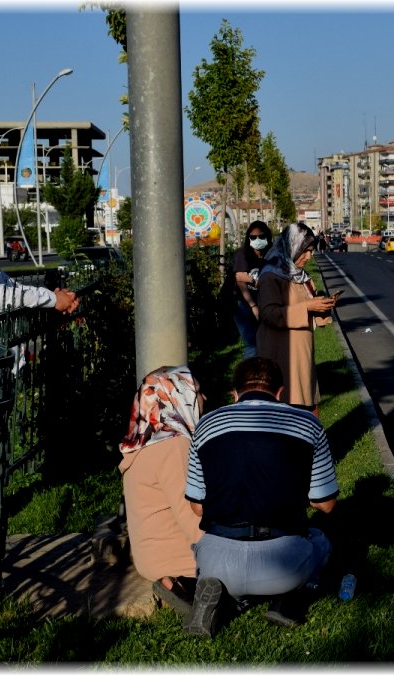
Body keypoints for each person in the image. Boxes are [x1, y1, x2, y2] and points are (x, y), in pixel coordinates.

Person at [183, 357, 339, 635]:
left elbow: (197, 508)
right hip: (283, 562)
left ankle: (227, 599)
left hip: (216, 561)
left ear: (234, 394)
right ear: (280, 392)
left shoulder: (205, 425)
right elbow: (325, 504)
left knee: (212, 553)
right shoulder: (308, 424)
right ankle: (286, 599)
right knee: (321, 541)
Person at [118, 365, 205, 612]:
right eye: (197, 392)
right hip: (180, 559)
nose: (204, 398)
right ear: (178, 397)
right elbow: (193, 518)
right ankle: (192, 585)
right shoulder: (174, 447)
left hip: (151, 558)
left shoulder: (141, 444)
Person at [255, 222, 336, 411]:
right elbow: (269, 314)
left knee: (306, 402)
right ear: (292, 247)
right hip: (280, 353)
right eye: (305, 251)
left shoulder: (301, 276)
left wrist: (322, 307)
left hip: (302, 355)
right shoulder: (270, 276)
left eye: (311, 252)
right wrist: (307, 307)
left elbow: (308, 307)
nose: (308, 257)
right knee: (285, 405)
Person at [232, 221, 272, 358]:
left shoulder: (271, 255)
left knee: (266, 344)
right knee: (252, 346)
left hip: (266, 304)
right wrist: (253, 306)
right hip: (245, 306)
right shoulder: (242, 254)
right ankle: (248, 371)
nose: (257, 240)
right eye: (253, 237)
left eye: (261, 236)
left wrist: (251, 279)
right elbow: (239, 279)